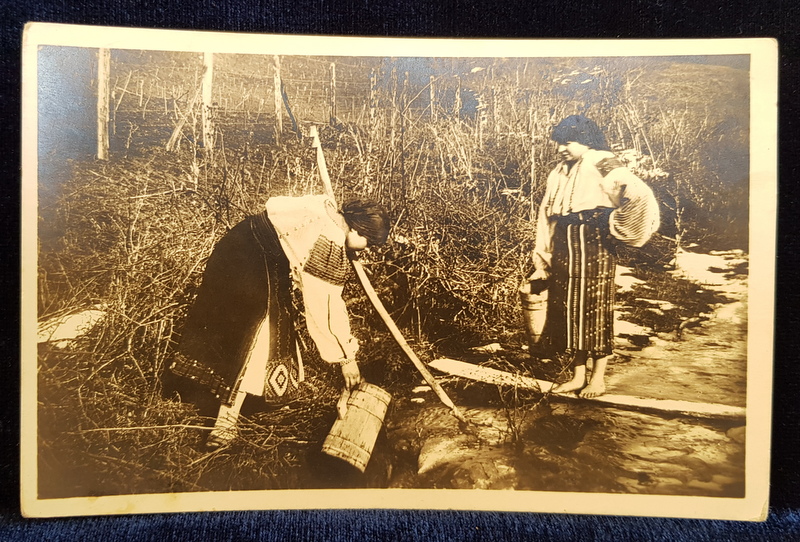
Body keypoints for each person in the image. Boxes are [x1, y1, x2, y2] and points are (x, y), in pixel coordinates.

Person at [169, 195, 390, 449]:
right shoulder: (329, 243)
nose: (367, 249)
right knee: (258, 337)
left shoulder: (324, 204)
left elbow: (274, 203)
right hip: (250, 264)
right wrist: (346, 358)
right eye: (369, 242)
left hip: (233, 246)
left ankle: (219, 393)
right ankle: (224, 423)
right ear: (357, 229)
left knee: (256, 328)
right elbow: (325, 307)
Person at [526, 115, 659, 398]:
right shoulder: (558, 172)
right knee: (569, 308)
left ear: (586, 140)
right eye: (559, 143)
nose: (562, 148)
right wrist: (543, 256)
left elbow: (635, 191)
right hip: (564, 244)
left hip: (595, 244)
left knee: (594, 309)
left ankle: (598, 378)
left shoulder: (602, 161)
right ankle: (577, 376)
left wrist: (613, 222)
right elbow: (545, 217)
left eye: (568, 142)